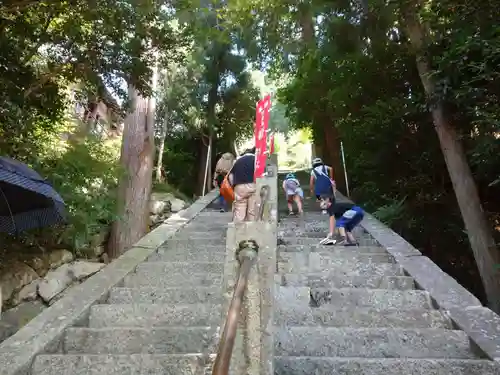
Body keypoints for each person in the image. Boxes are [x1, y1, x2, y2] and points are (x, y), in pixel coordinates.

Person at [228, 147, 256, 222]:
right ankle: (251, 230)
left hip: (239, 187)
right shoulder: (256, 160)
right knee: (252, 211)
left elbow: (230, 176)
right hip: (253, 186)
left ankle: (237, 231)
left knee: (239, 211)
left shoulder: (238, 160)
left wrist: (233, 186)